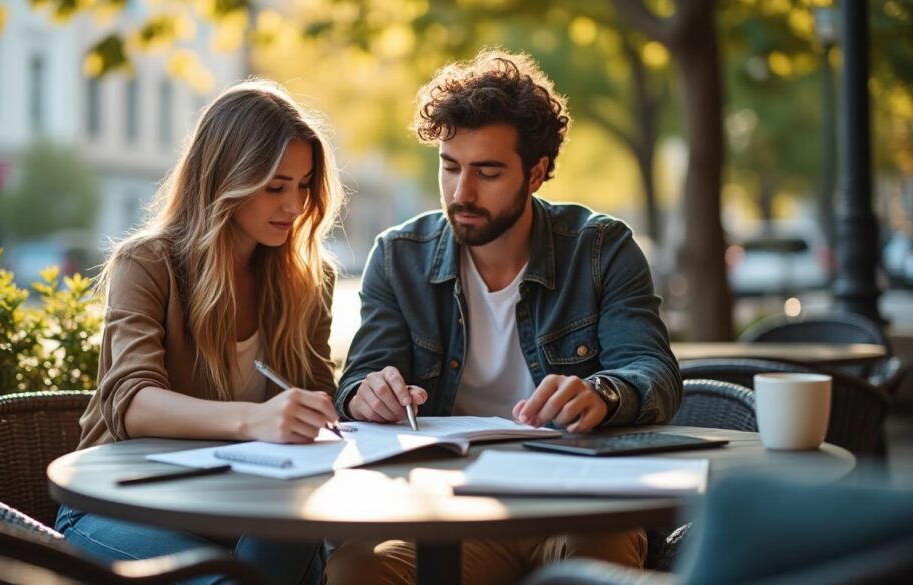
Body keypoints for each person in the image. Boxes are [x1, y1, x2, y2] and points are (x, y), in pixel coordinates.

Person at [325, 50, 682, 585]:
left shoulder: (601, 248)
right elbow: (357, 380)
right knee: (359, 569)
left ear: (536, 173)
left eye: (487, 172)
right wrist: (366, 393)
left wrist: (603, 395)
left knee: (596, 558)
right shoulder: (399, 256)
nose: (461, 193)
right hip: (447, 509)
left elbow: (654, 374)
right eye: (450, 167)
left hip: (581, 506)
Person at [55, 79, 345, 585]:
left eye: (303, 186)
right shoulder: (147, 265)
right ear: (223, 179)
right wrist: (255, 420)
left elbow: (320, 398)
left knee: (306, 536)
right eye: (275, 186)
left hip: (243, 509)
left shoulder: (308, 281)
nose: (294, 205)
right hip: (127, 503)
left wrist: (350, 406)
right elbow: (132, 403)